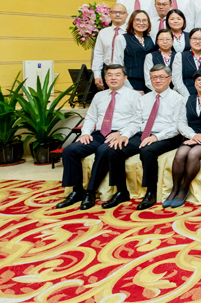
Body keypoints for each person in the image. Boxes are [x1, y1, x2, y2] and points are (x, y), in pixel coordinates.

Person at [56, 65, 140, 210]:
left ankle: (90, 192)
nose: (113, 78)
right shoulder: (99, 96)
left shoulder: (134, 96)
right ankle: (77, 191)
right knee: (70, 150)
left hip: (120, 133)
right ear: (105, 78)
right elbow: (91, 118)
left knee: (104, 150)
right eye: (110, 75)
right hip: (100, 133)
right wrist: (85, 133)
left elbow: (137, 120)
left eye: (117, 75)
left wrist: (121, 133)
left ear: (125, 78)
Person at [113, 64, 185, 210]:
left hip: (167, 136)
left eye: (161, 77)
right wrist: (125, 135)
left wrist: (156, 137)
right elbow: (136, 122)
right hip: (143, 134)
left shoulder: (178, 99)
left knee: (147, 151)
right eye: (154, 77)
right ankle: (121, 191)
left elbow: (177, 127)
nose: (157, 80)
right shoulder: (144, 99)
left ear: (169, 78)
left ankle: (150, 192)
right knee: (115, 149)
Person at [164, 69, 201, 208]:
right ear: (194, 83)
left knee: (193, 153)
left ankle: (184, 188)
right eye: (199, 80)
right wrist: (193, 136)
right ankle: (175, 189)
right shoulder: (187, 99)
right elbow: (181, 123)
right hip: (192, 137)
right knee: (180, 154)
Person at [113, 10, 155, 93]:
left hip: (150, 82)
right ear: (132, 21)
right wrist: (130, 88)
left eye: (144, 20)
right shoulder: (121, 38)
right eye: (137, 20)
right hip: (130, 82)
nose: (141, 23)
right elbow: (117, 64)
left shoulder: (151, 39)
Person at [92, 3, 128, 90]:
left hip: (126, 70)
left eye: (121, 12)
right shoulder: (103, 33)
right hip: (107, 70)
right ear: (109, 14)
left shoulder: (131, 32)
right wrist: (97, 75)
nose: (117, 14)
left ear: (126, 15)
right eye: (114, 12)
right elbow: (98, 54)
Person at [172, 28, 201, 97]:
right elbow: (177, 80)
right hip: (183, 95)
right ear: (189, 40)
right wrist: (188, 97)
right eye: (194, 38)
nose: (197, 41)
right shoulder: (180, 56)